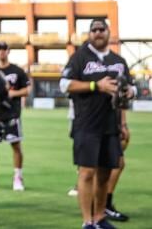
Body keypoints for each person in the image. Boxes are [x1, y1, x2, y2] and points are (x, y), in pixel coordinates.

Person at [60, 18, 134, 229]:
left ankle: (100, 217)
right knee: (86, 173)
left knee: (104, 174)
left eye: (102, 29)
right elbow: (65, 84)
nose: (98, 32)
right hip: (86, 124)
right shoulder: (79, 58)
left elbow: (130, 88)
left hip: (110, 126)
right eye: (94, 30)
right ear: (90, 34)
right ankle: (87, 222)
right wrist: (95, 85)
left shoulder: (119, 61)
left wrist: (129, 96)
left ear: (108, 32)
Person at [0, 42, 30, 191]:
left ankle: (17, 177)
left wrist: (12, 93)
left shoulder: (17, 70)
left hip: (12, 114)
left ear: (8, 51)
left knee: (16, 146)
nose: (2, 52)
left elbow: (27, 89)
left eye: (4, 49)